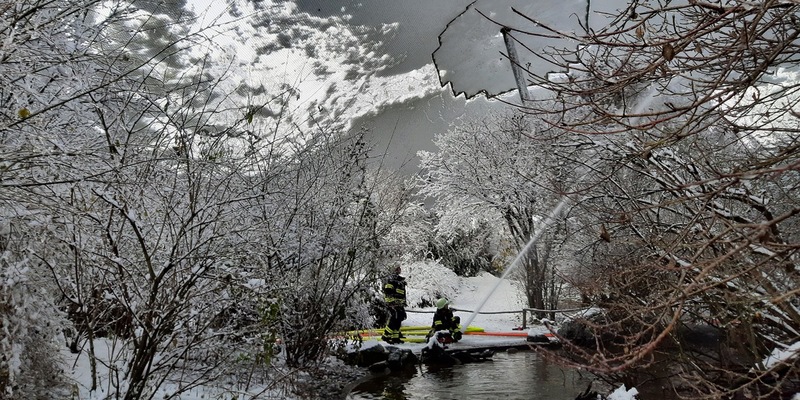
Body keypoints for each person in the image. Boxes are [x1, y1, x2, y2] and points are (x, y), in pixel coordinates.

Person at [382, 266, 407, 344]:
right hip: (392, 304)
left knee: (399, 320)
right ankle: (386, 336)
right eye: (397, 268)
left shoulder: (400, 281)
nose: (399, 270)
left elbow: (402, 294)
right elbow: (388, 292)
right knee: (394, 320)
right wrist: (391, 303)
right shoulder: (390, 280)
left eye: (399, 268)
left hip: (399, 305)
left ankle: (395, 338)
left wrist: (402, 303)